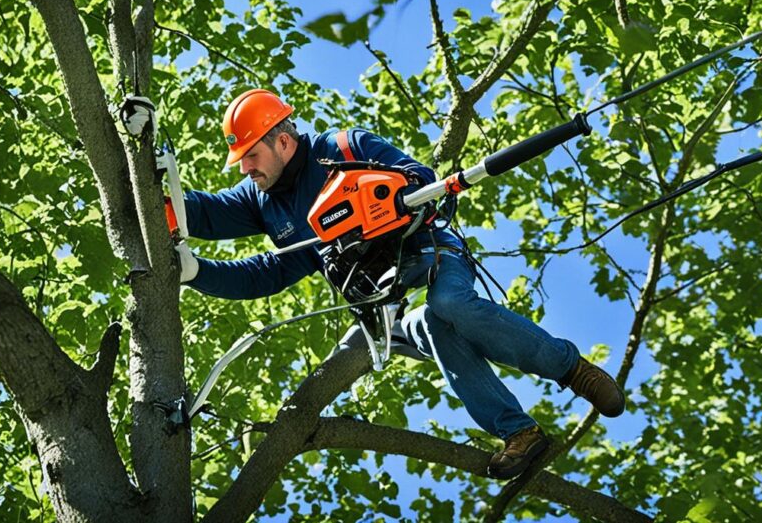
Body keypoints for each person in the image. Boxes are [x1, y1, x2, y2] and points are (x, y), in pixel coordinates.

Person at [123, 89, 625, 479]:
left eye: (251, 156)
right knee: (432, 322)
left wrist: (388, 198)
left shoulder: (345, 148)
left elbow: (418, 177)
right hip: (383, 300)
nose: (246, 169)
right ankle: (521, 433)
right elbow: (222, 234)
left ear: (281, 139)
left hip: (428, 256)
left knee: (449, 303)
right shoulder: (264, 203)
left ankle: (572, 369)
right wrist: (145, 167)